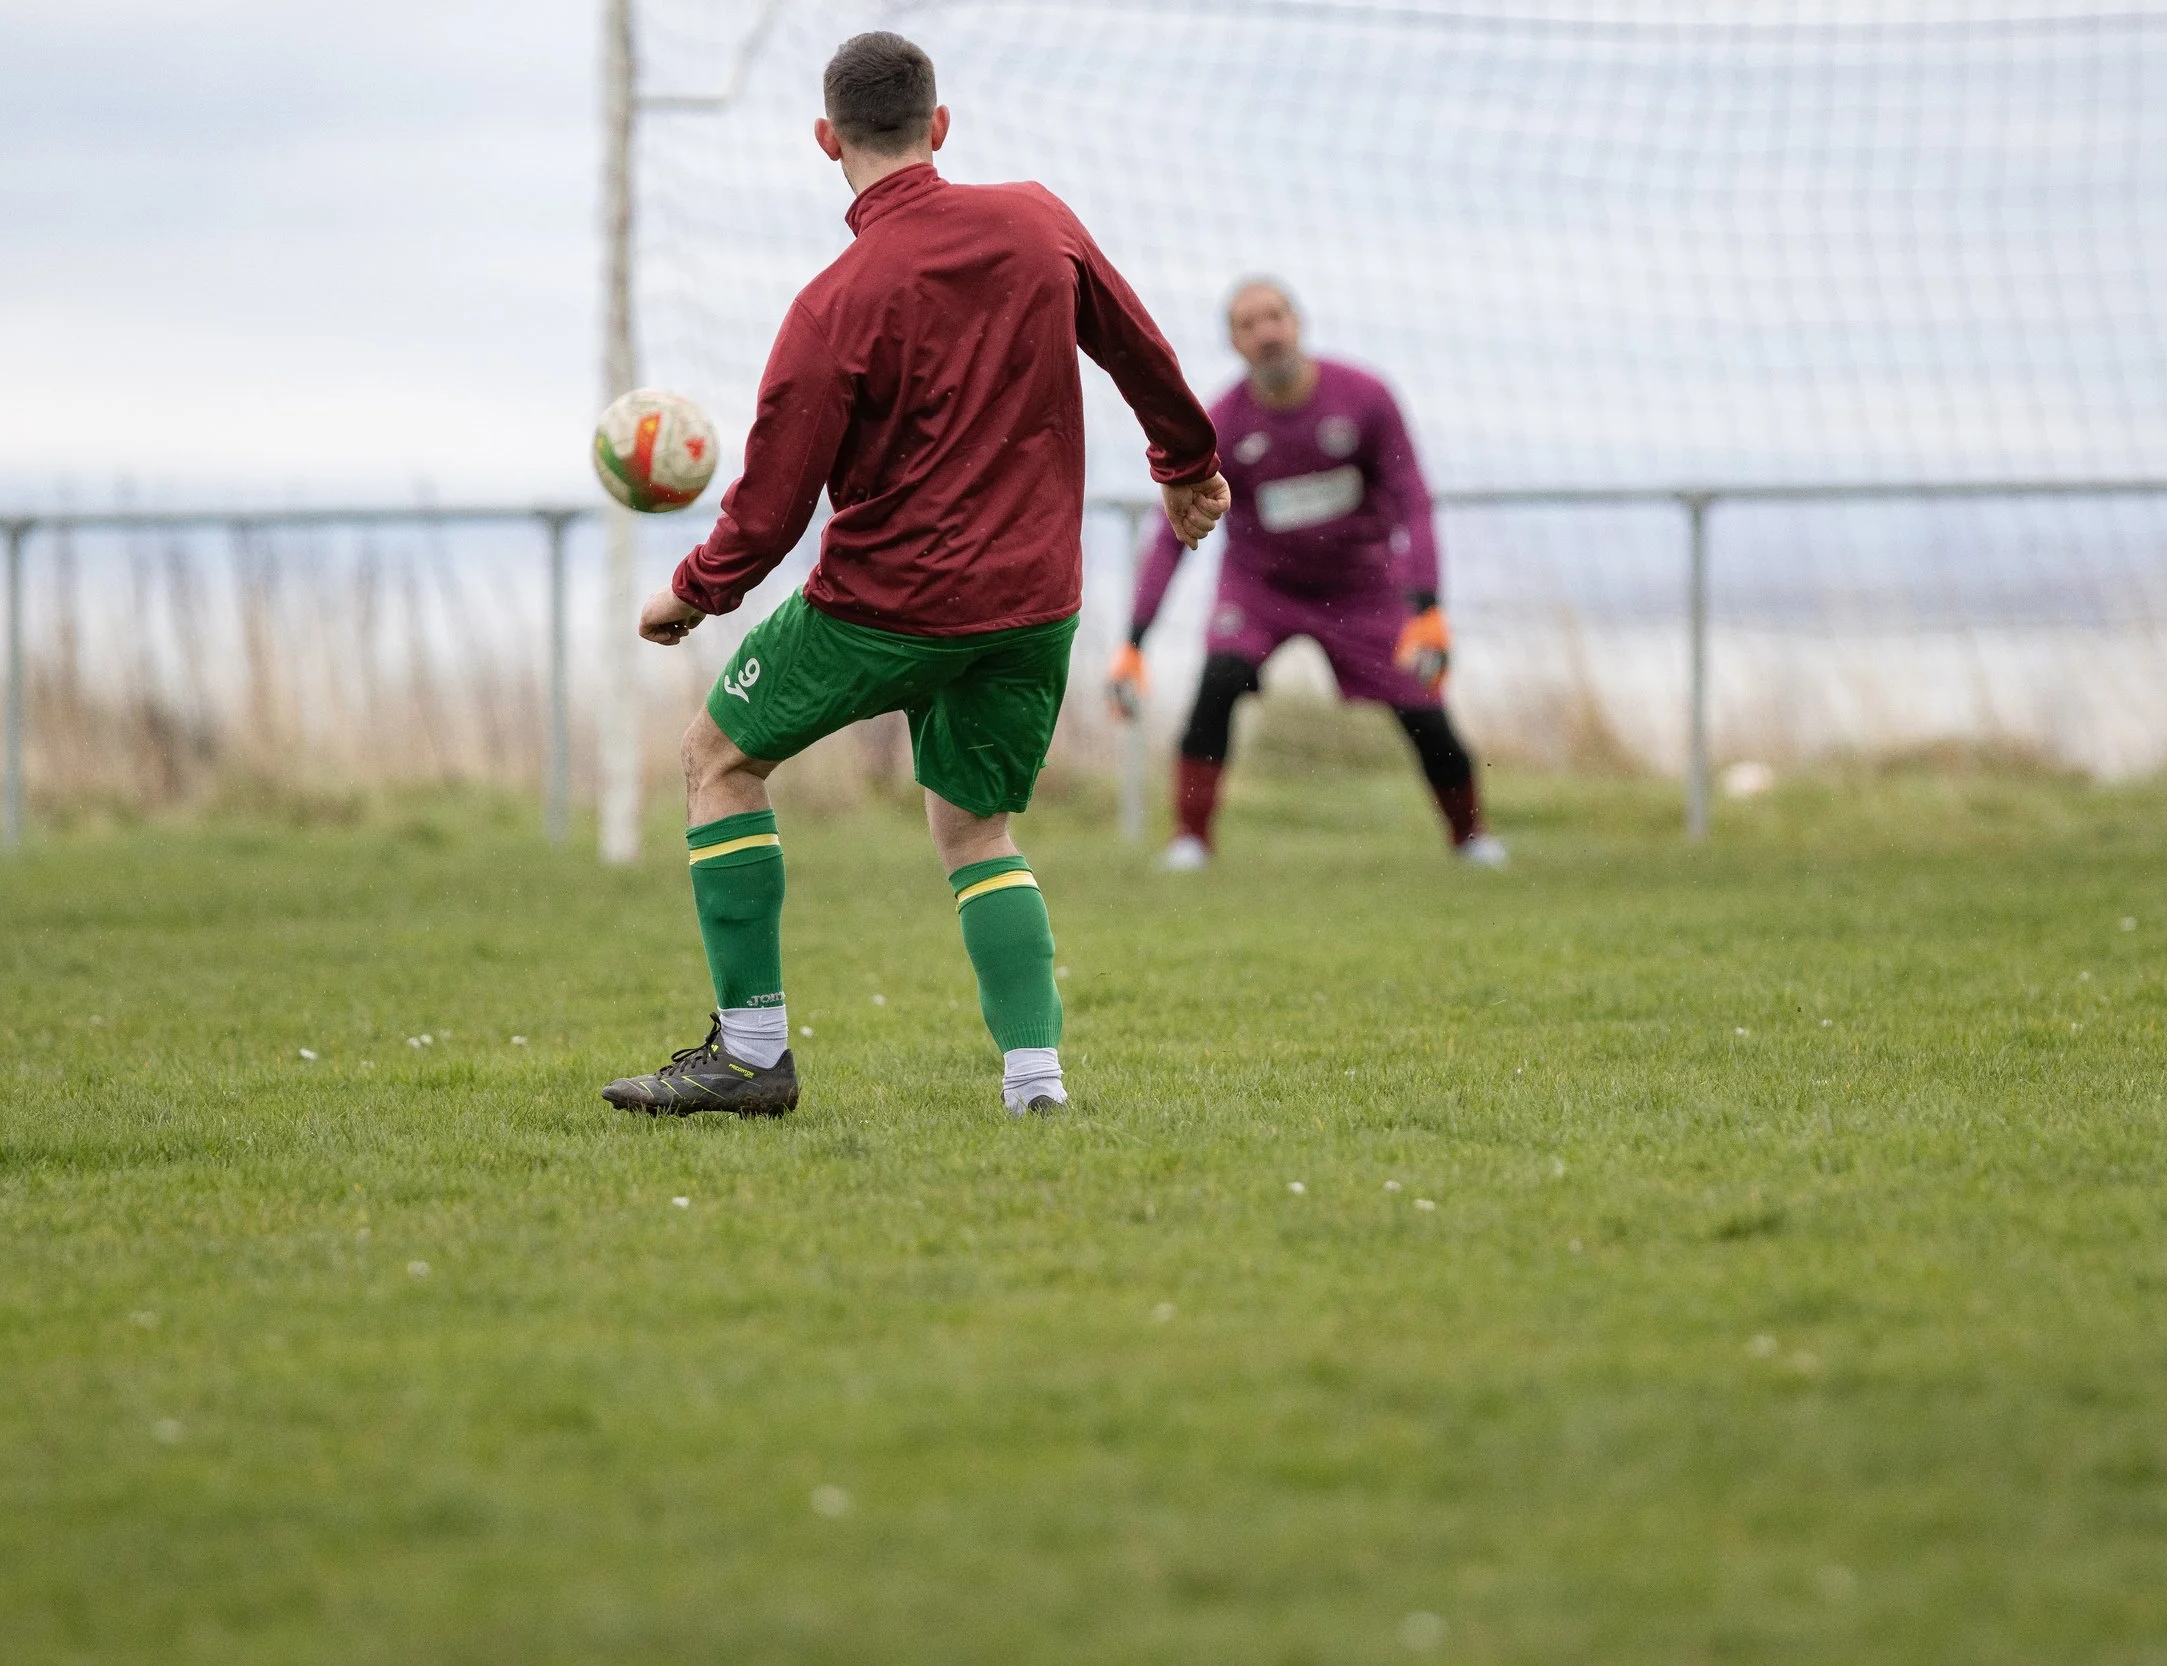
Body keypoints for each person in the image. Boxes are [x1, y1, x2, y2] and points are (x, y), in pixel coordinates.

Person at [600, 32, 1229, 1119]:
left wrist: (691, 593)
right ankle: (1036, 1085)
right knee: (976, 828)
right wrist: (1186, 465)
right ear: (939, 127)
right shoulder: (1041, 220)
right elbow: (1137, 346)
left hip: (884, 605)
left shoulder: (831, 304)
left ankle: (752, 1056)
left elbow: (771, 504)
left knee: (717, 761)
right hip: (1034, 602)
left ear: (823, 140)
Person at [1108, 280, 1504, 870]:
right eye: (1249, 324)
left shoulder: (1366, 398)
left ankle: (1471, 839)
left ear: (1298, 322)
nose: (1266, 333)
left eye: (1276, 317)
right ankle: (1190, 841)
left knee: (1423, 705)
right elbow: (1172, 535)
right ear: (1234, 342)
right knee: (1218, 680)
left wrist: (1428, 609)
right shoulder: (1221, 424)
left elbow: (1414, 501)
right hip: (1261, 588)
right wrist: (1134, 643)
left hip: (1363, 587)